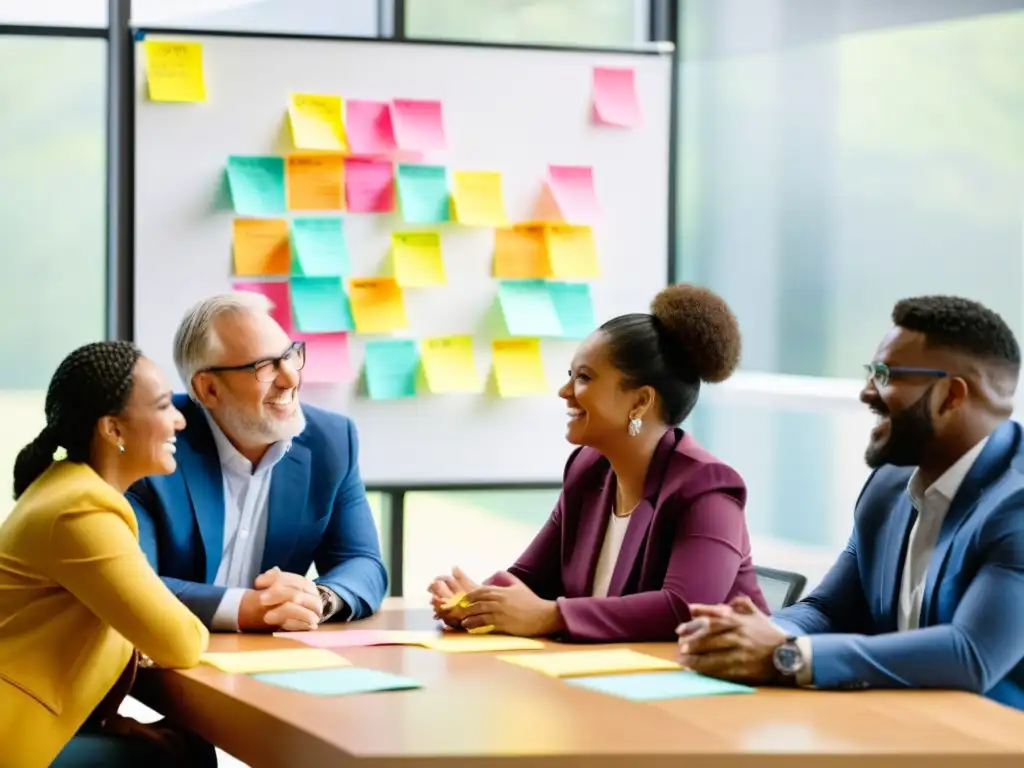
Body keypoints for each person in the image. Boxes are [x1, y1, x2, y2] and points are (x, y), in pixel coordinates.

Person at [676, 295, 1024, 709]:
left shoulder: (1014, 503)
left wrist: (786, 655)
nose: (866, 392)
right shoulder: (888, 485)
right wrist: (750, 633)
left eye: (886, 375)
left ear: (950, 396)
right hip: (892, 725)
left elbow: (971, 655)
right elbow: (829, 609)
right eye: (871, 372)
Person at [429, 284, 768, 642]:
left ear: (640, 402)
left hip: (717, 690)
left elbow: (684, 608)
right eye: (570, 375)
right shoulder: (588, 470)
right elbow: (530, 579)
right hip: (616, 680)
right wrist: (476, 604)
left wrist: (551, 616)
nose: (565, 391)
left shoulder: (708, 487)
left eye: (584, 377)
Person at [0, 341, 212, 767]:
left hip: (32, 724)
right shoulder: (82, 509)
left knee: (179, 749)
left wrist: (109, 721)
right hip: (13, 742)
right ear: (113, 430)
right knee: (185, 756)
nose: (179, 420)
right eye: (162, 406)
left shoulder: (68, 489)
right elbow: (182, 643)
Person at [128, 292, 387, 633]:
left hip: (269, 656)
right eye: (265, 367)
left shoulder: (332, 440)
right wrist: (245, 608)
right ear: (208, 390)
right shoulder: (153, 440)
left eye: (290, 356)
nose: (291, 379)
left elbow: (362, 562)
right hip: (169, 658)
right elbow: (132, 584)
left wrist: (320, 599)